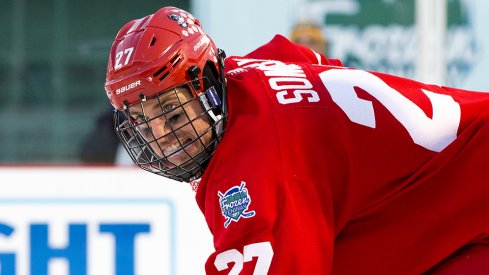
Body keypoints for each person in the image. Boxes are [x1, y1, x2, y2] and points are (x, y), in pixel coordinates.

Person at [104, 6, 489, 274]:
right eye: (141, 120)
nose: (162, 136)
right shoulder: (245, 71)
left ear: (205, 84)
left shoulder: (257, 171)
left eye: (172, 113)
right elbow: (301, 58)